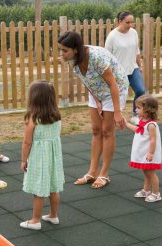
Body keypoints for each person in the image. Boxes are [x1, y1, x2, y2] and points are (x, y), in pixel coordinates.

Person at [58, 31, 128, 189]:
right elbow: (87, 81)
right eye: (60, 49)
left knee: (107, 132)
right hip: (97, 90)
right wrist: (96, 101)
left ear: (75, 49)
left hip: (114, 90)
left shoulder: (96, 57)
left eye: (64, 50)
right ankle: (92, 172)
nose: (61, 54)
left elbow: (113, 84)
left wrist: (117, 112)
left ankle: (104, 174)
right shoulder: (72, 60)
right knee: (96, 130)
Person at [20, 80, 64, 230]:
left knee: (39, 190)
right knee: (53, 187)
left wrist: (23, 160)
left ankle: (35, 221)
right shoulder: (57, 116)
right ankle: (53, 215)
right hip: (53, 158)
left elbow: (27, 143)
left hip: (39, 158)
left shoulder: (33, 119)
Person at [123, 95, 162, 202]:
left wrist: (151, 153)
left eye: (139, 108)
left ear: (148, 110)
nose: (136, 109)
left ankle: (156, 193)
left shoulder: (151, 125)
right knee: (146, 171)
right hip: (144, 152)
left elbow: (154, 140)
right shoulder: (142, 121)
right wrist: (126, 124)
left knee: (151, 173)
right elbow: (137, 129)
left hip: (149, 153)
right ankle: (146, 190)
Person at [105, 11, 146, 114]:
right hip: (118, 72)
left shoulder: (134, 33)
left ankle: (135, 115)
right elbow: (106, 56)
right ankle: (116, 116)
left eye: (131, 22)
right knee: (118, 97)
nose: (130, 25)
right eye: (127, 22)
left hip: (133, 68)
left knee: (141, 91)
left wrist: (140, 66)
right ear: (120, 21)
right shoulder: (112, 36)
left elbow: (137, 51)